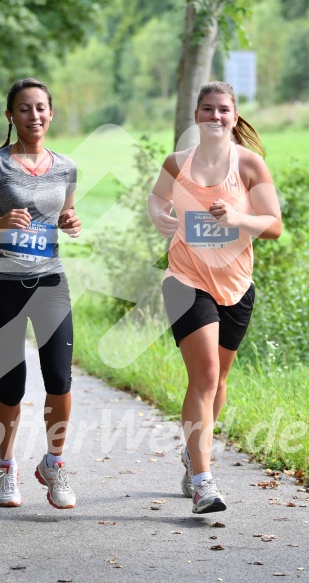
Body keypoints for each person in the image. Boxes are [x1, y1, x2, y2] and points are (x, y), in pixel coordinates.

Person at [0, 78, 81, 509]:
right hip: (4, 287)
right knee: (13, 384)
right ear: (11, 116)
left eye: (41, 108)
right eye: (24, 109)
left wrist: (69, 222)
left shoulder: (66, 166)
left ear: (51, 113)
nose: (34, 116)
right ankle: (6, 468)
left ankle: (54, 464)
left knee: (60, 379)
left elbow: (64, 211)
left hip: (50, 283)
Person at [148, 81, 281, 514]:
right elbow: (155, 199)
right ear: (196, 116)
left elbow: (274, 225)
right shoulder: (177, 163)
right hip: (186, 278)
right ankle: (204, 482)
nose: (215, 117)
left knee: (220, 380)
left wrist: (239, 216)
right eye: (207, 109)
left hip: (237, 284)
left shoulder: (249, 166)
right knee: (204, 376)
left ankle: (193, 455)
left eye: (223, 110)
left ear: (235, 116)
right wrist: (160, 217)